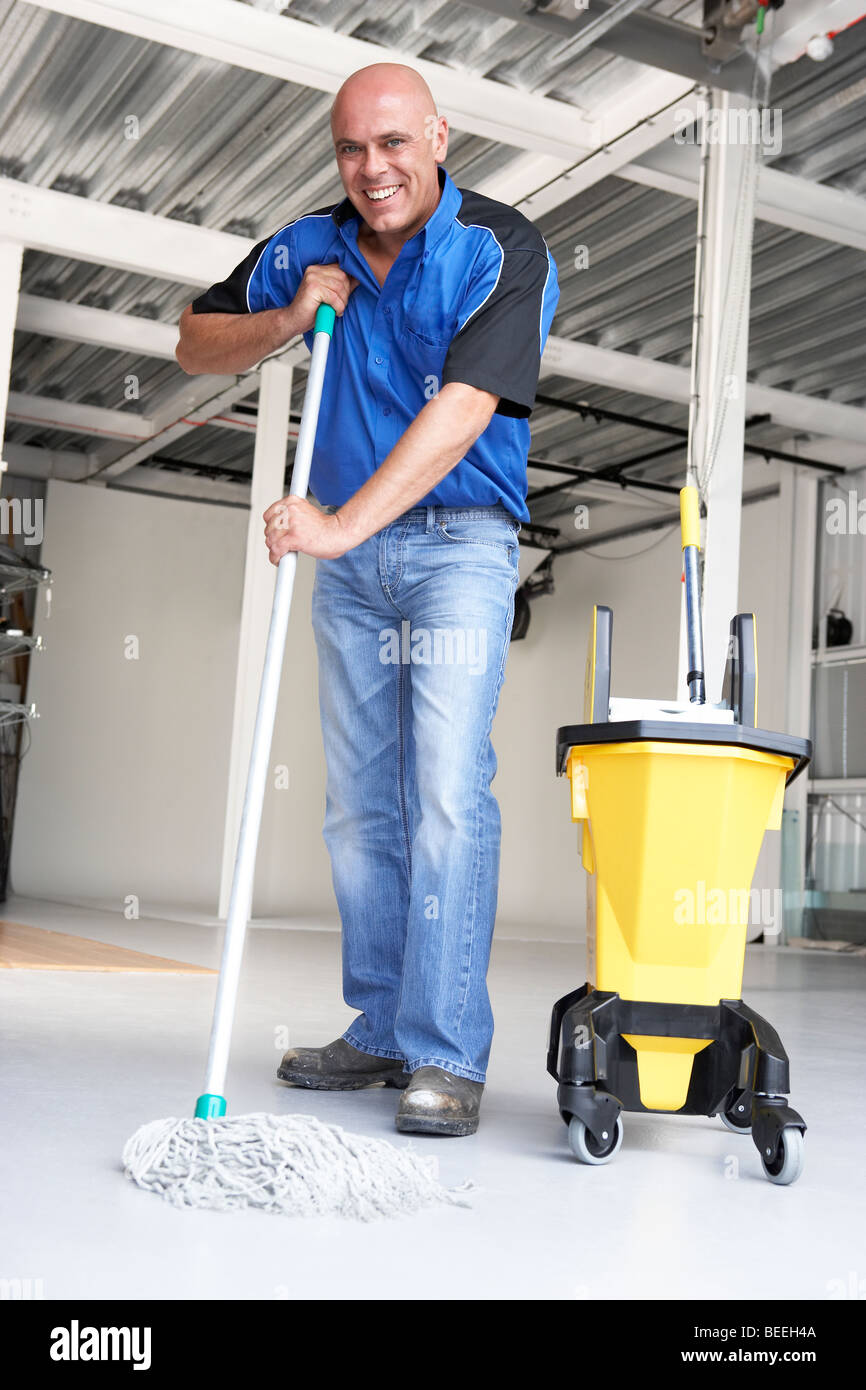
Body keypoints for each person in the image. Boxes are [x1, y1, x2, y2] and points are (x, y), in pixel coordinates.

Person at [176, 62, 559, 1136]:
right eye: (351, 149)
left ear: (437, 137)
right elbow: (192, 338)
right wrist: (291, 313)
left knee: (444, 794)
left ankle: (444, 1052)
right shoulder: (310, 242)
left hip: (457, 549)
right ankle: (382, 1025)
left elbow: (467, 406)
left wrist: (340, 524)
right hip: (349, 570)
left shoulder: (501, 247)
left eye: (392, 143)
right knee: (358, 811)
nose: (371, 168)